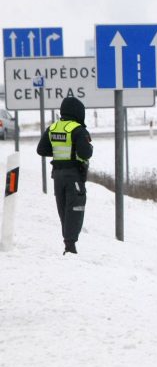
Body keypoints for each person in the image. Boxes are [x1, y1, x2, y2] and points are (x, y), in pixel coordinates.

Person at [36, 96, 93, 255]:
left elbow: (41, 150)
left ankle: (68, 242)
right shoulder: (78, 130)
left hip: (57, 176)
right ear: (78, 112)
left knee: (63, 209)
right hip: (74, 175)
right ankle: (70, 246)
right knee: (75, 208)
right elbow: (85, 153)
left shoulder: (53, 128)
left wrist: (59, 152)